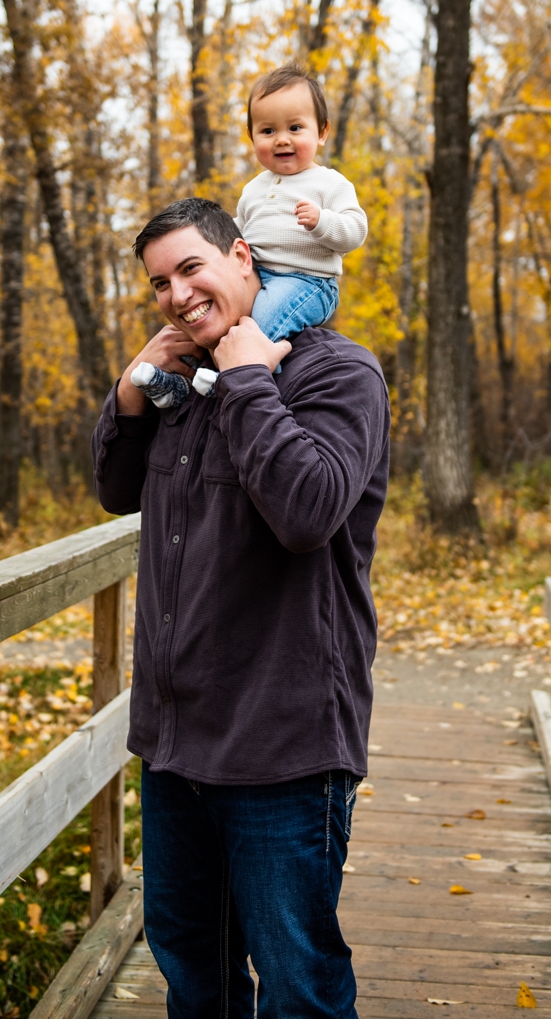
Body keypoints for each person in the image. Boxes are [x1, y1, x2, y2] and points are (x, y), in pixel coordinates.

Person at [92, 197, 389, 1017]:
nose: (178, 294)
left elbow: (308, 511)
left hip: (283, 744)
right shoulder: (179, 382)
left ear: (245, 258)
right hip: (176, 742)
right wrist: (130, 392)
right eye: (159, 283)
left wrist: (252, 378)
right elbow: (117, 490)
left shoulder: (338, 373)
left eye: (192, 267)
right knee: (197, 977)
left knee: (298, 985)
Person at [131, 65, 367, 408]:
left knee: (260, 323)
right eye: (268, 130)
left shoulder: (329, 184)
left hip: (307, 281)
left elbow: (356, 232)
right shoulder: (254, 189)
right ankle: (179, 383)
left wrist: (322, 222)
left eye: (295, 128)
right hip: (261, 276)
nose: (282, 139)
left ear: (322, 132)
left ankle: (238, 374)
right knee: (211, 326)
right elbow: (237, 231)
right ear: (252, 136)